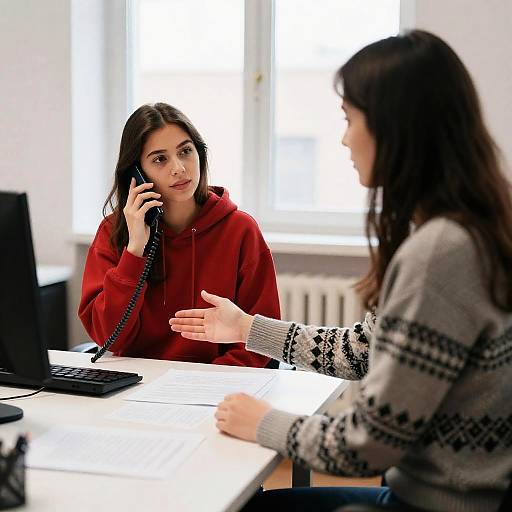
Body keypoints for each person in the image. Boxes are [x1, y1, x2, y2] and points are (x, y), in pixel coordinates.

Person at [170, 30, 512, 511]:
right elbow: (364, 351)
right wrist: (247, 328)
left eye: (350, 119)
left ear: (395, 129)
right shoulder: (466, 230)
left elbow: (369, 441)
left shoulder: (440, 254)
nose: (345, 138)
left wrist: (263, 422)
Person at [79, 103, 280, 367]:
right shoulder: (113, 231)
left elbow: (259, 339)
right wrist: (135, 250)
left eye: (185, 151)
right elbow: (109, 338)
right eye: (160, 159)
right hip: (135, 387)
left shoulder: (240, 231)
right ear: (135, 174)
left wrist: (204, 385)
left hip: (214, 387)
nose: (179, 168)